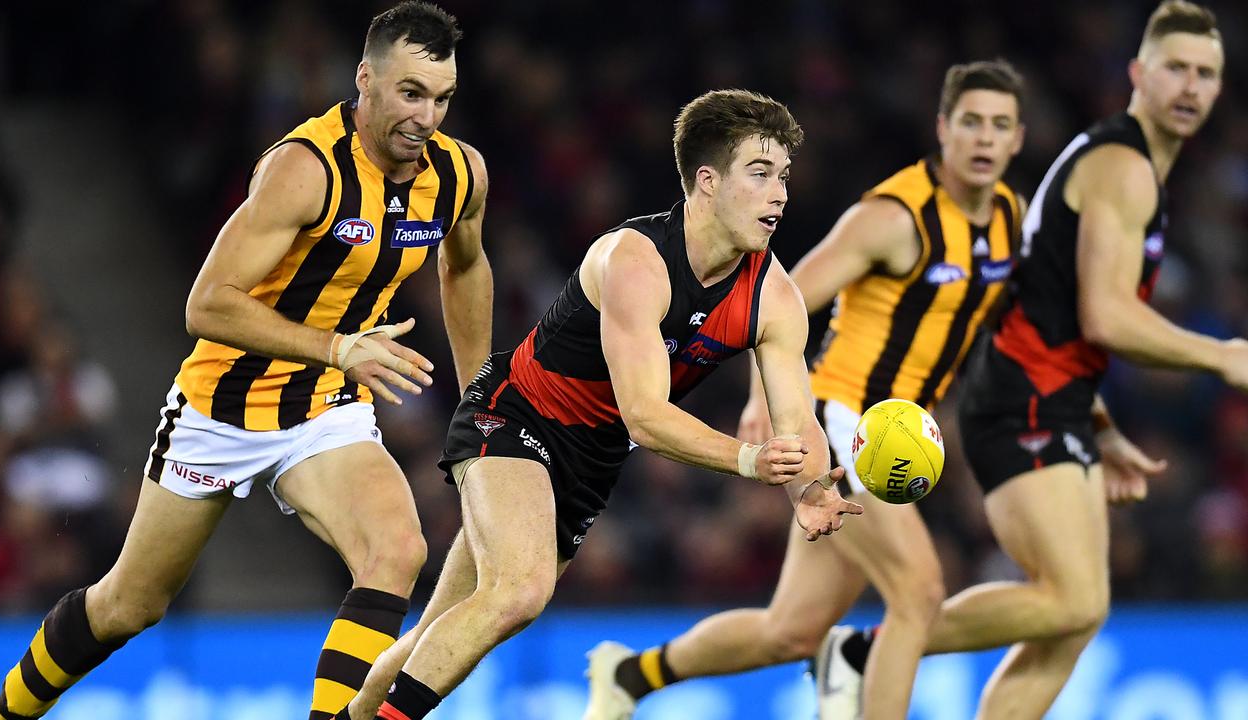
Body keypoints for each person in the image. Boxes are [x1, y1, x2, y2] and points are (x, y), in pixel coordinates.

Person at [0, 4, 493, 720]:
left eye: (442, 98)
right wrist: (340, 346)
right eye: (411, 93)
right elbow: (207, 304)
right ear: (365, 80)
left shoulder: (459, 175)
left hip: (325, 409)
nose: (427, 117)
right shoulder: (304, 169)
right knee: (129, 604)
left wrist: (479, 400)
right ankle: (3, 713)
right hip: (222, 407)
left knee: (397, 549)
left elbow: (464, 269)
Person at [323, 89, 864, 720]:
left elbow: (795, 423)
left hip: (591, 461)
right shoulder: (633, 259)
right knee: (522, 590)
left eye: (784, 178)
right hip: (517, 416)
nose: (780, 194)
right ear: (708, 182)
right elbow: (646, 415)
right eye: (761, 173)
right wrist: (749, 461)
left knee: (443, 626)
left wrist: (811, 491)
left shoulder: (775, 298)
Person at [818, 2, 1248, 718]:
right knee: (1073, 597)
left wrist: (1102, 424)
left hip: (1061, 398)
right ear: (1138, 73)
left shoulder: (1138, 168)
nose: (1191, 86)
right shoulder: (1123, 165)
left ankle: (882, 647)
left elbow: (1067, 309)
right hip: (1022, 396)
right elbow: (1105, 316)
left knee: (1076, 618)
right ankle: (873, 648)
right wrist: (1223, 355)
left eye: (1206, 73)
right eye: (1176, 67)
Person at [583, 59, 1033, 720]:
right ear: (943, 129)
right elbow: (784, 297)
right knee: (918, 591)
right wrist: (764, 401)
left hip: (895, 433)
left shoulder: (1007, 219)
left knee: (790, 631)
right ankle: (855, 669)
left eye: (1000, 126)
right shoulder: (892, 217)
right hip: (844, 417)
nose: (985, 139)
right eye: (971, 123)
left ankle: (633, 673)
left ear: (1019, 138)